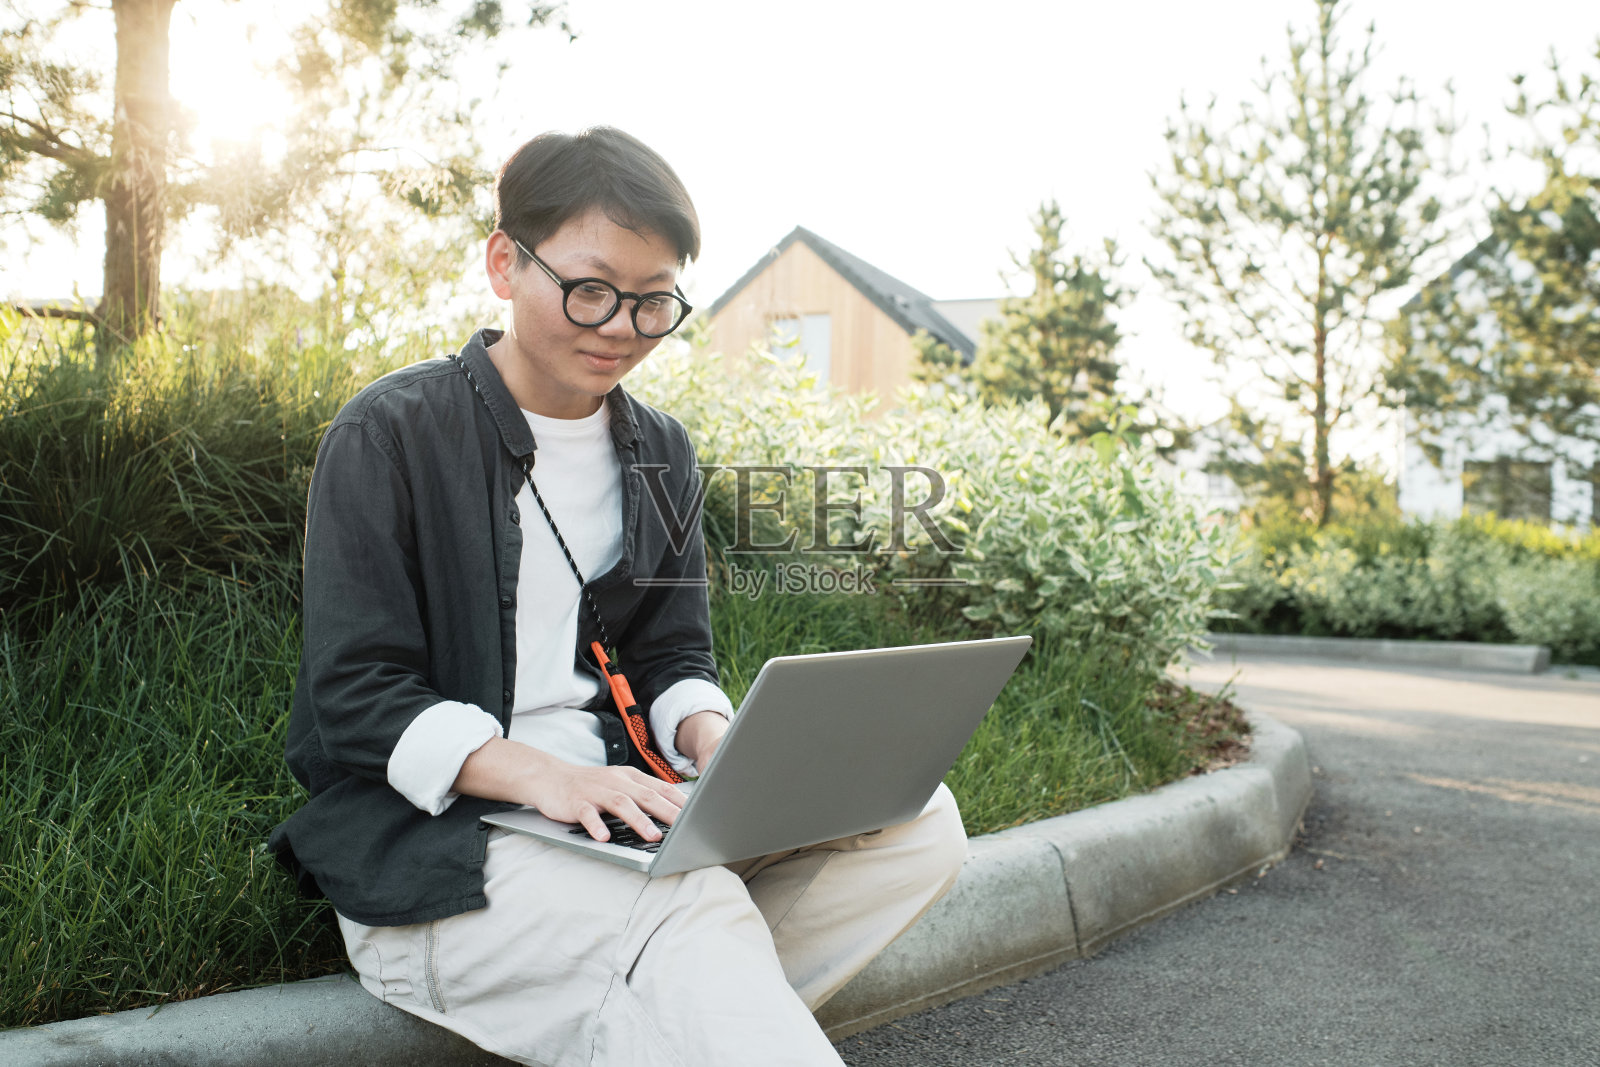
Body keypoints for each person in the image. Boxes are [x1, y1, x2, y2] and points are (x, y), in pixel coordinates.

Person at [268, 127, 967, 1067]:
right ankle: (677, 996)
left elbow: (674, 655)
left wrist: (724, 753)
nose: (621, 329)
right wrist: (553, 778)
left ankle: (665, 1009)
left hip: (618, 817)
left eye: (652, 303)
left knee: (918, 823)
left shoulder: (660, 449)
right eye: (592, 290)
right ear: (505, 263)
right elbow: (356, 697)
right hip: (451, 853)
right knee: (691, 901)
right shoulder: (392, 431)